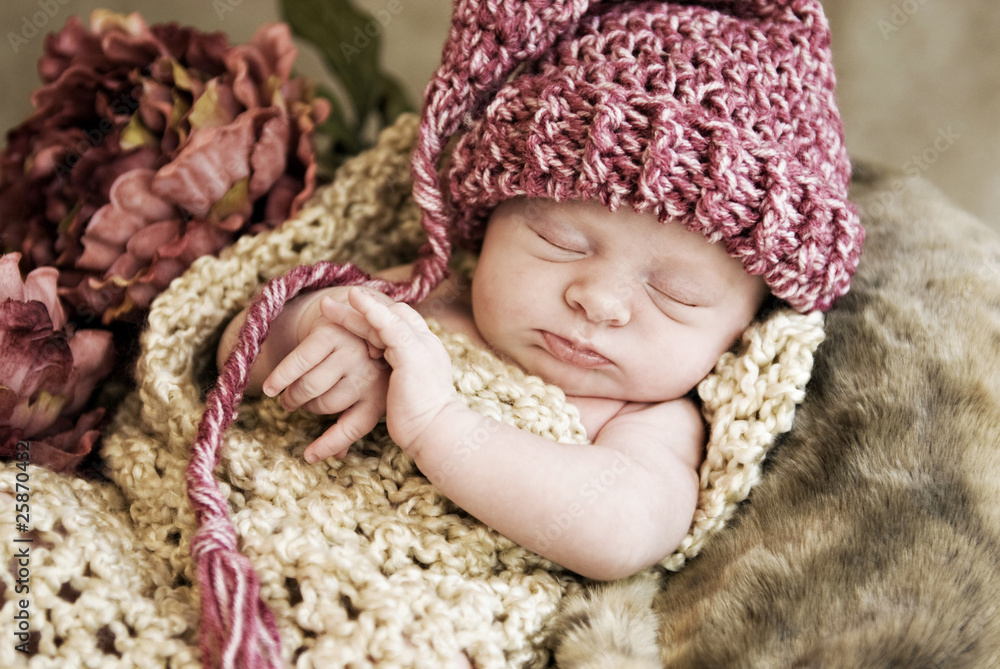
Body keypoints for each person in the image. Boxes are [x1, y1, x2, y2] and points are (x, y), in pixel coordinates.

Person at [217, 0, 864, 581]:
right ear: (486, 221)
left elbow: (621, 530)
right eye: (561, 241)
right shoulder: (426, 301)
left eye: (680, 295)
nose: (600, 301)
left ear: (746, 325)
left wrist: (444, 427)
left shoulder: (648, 421)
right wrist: (308, 336)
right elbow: (231, 350)